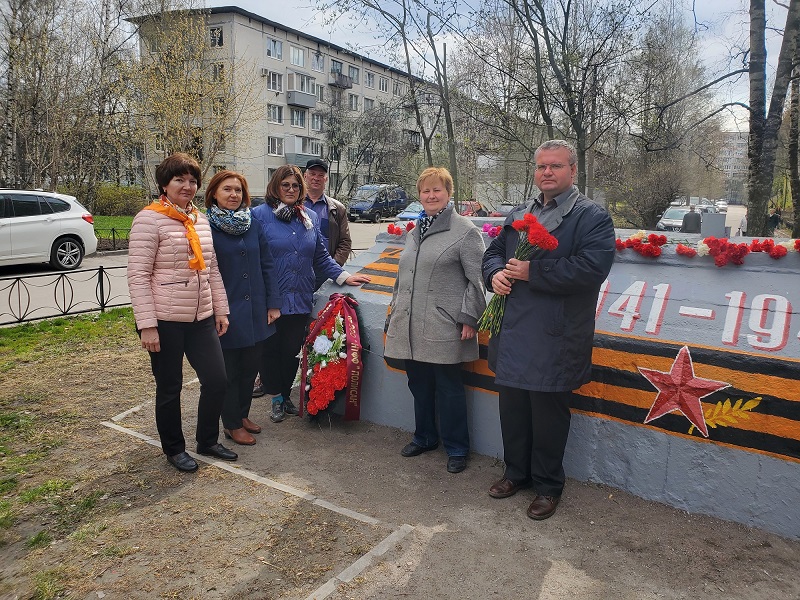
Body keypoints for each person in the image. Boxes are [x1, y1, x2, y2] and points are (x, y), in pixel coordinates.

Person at [482, 139, 615, 520]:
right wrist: (494, 277)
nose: (547, 173)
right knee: (513, 411)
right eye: (541, 166)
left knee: (548, 416)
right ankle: (515, 473)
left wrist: (533, 272)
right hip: (513, 331)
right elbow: (494, 253)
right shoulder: (520, 212)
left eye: (555, 166)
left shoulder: (591, 217)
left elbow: (593, 269)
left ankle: (547, 485)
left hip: (554, 336)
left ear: (573, 171)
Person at [128, 153, 237, 473]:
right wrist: (147, 325)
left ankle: (207, 440)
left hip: (201, 317)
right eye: (180, 180)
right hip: (164, 320)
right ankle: (174, 449)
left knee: (217, 380)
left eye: (192, 181)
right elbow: (138, 276)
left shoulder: (199, 220)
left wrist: (221, 310)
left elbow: (212, 269)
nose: (187, 186)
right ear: (165, 183)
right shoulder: (148, 219)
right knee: (169, 387)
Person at [384, 167, 486, 474]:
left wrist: (470, 316)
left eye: (437, 190)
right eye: (425, 191)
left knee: (449, 387)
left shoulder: (465, 230)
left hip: (444, 325)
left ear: (448, 193)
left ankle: (457, 448)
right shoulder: (415, 232)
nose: (431, 196)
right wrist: (393, 314)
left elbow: (478, 279)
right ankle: (425, 436)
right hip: (411, 325)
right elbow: (402, 280)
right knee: (419, 383)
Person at [251, 165, 371, 423]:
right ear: (276, 187)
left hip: (300, 296)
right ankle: (275, 398)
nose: (291, 190)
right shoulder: (259, 215)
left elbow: (321, 256)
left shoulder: (309, 218)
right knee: (269, 351)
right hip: (271, 298)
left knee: (291, 350)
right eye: (286, 185)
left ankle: (285, 396)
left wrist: (345, 277)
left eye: (295, 186)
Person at [206, 170, 282, 446]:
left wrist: (273, 303)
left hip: (257, 309)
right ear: (214, 193)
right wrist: (215, 309)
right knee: (230, 371)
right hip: (227, 309)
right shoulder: (206, 226)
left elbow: (267, 264)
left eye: (238, 190)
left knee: (251, 367)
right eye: (227, 189)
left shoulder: (252, 224)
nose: (233, 195)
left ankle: (243, 414)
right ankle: (232, 424)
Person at [303, 158, 353, 289]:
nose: (316, 178)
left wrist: (333, 267)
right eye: (312, 174)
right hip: (299, 270)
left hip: (325, 272)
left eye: (321, 175)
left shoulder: (337, 209)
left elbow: (345, 242)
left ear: (326, 179)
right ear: (305, 176)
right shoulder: (294, 205)